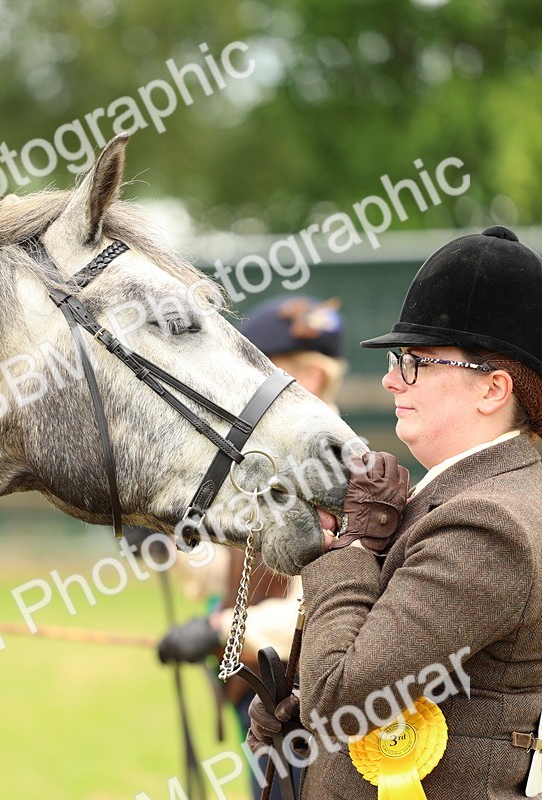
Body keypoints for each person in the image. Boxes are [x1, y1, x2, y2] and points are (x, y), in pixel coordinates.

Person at [247, 225, 542, 800]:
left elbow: (346, 704)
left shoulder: (488, 523)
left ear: (493, 389)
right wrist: (299, 711)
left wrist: (351, 550)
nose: (391, 378)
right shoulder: (477, 496)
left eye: (416, 361)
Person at [152, 295, 346, 797]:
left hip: (308, 701)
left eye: (263, 374)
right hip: (261, 690)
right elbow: (218, 575)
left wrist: (217, 627)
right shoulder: (270, 468)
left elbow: (319, 612)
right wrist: (165, 534)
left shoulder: (344, 477)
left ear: (314, 380)